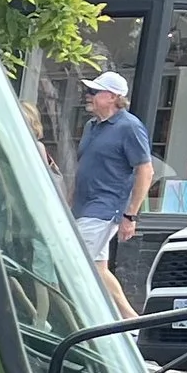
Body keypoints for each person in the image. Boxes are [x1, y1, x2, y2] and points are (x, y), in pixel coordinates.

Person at [71, 69, 153, 315]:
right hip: (84, 207)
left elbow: (146, 171)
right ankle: (132, 323)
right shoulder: (91, 126)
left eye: (94, 92)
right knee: (98, 268)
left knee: (74, 264)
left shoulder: (130, 127)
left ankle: (85, 322)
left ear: (113, 97)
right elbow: (83, 168)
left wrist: (131, 216)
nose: (88, 95)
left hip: (104, 208)